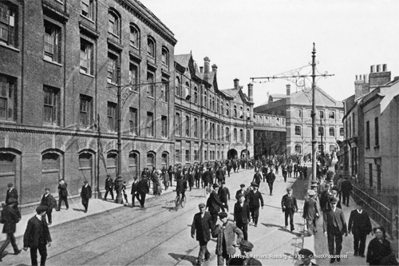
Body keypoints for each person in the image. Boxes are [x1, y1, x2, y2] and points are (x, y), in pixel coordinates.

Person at [323, 197, 348, 263]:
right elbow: (325, 221)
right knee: (330, 244)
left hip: (338, 230)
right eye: (332, 203)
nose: (333, 205)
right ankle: (332, 257)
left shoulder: (340, 211)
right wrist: (325, 230)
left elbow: (344, 221)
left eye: (334, 203)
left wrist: (345, 231)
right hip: (330, 230)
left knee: (339, 244)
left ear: (336, 203)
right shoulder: (327, 211)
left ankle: (338, 255)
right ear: (330, 203)